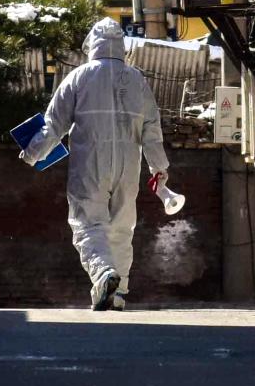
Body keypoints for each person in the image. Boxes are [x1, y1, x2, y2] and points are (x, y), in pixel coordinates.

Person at [19, 17, 169, 311]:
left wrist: (33, 152)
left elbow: (54, 125)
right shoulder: (137, 80)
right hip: (128, 165)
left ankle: (103, 273)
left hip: (90, 164)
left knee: (87, 223)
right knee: (122, 228)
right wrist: (159, 167)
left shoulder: (78, 78)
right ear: (121, 45)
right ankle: (118, 293)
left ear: (93, 44)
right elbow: (152, 129)